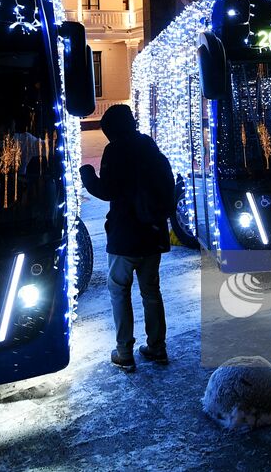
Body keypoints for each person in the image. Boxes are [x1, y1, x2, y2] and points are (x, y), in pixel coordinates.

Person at [80, 104, 172, 371]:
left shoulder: (116, 150)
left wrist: (87, 175)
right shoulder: (148, 145)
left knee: (119, 290)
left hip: (125, 235)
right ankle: (157, 346)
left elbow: (107, 190)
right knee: (151, 291)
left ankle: (124, 351)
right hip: (153, 232)